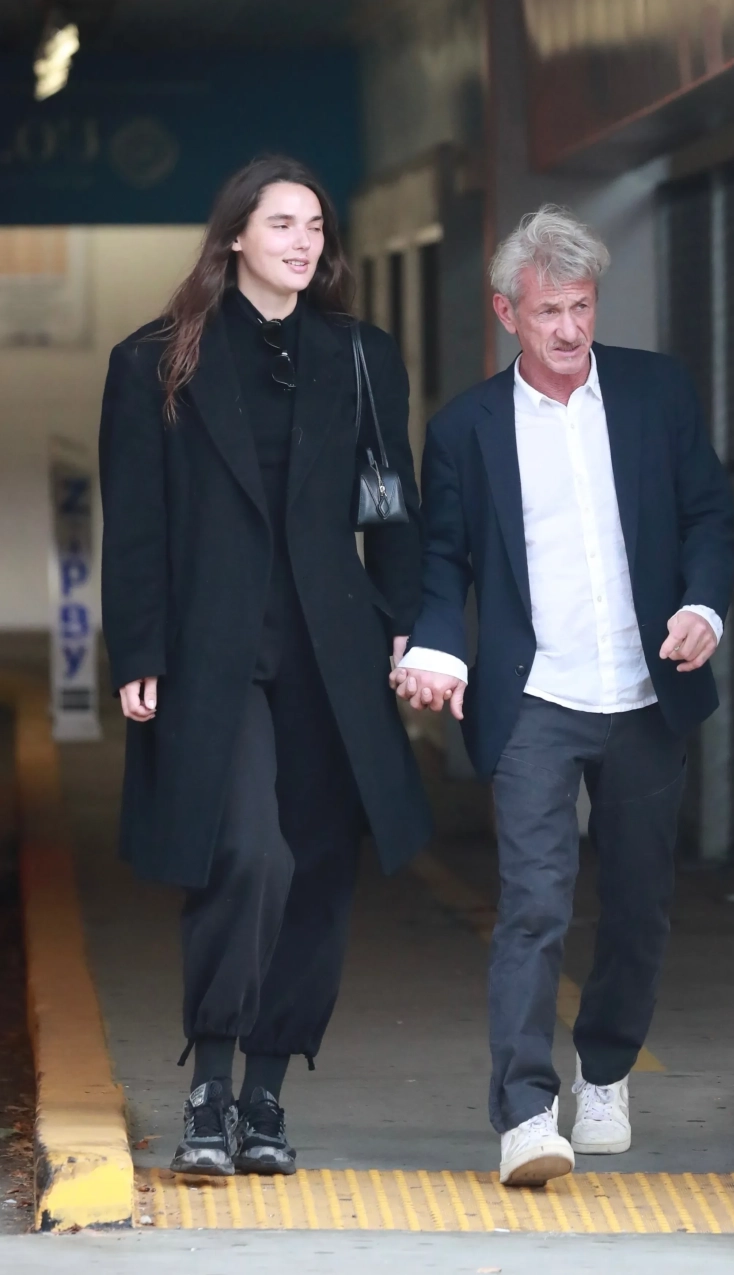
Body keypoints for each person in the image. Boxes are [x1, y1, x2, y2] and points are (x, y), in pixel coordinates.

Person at [99, 155, 432, 1177]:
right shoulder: (156, 358)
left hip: (332, 650)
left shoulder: (361, 355)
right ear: (235, 234)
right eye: (281, 223)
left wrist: (408, 619)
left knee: (320, 868)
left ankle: (266, 1096)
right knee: (247, 853)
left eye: (315, 226)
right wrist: (138, 646)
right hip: (214, 648)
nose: (302, 241)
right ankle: (209, 1083)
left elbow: (391, 498)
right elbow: (137, 520)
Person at [392, 205, 734, 1187]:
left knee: (638, 903)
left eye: (581, 306)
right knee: (534, 904)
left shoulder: (656, 392)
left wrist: (703, 606)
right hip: (535, 696)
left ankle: (608, 1071)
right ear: (508, 312)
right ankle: (524, 1112)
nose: (569, 328)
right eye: (549, 310)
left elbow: (708, 512)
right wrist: (437, 646)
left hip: (644, 690)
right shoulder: (464, 429)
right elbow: (444, 556)